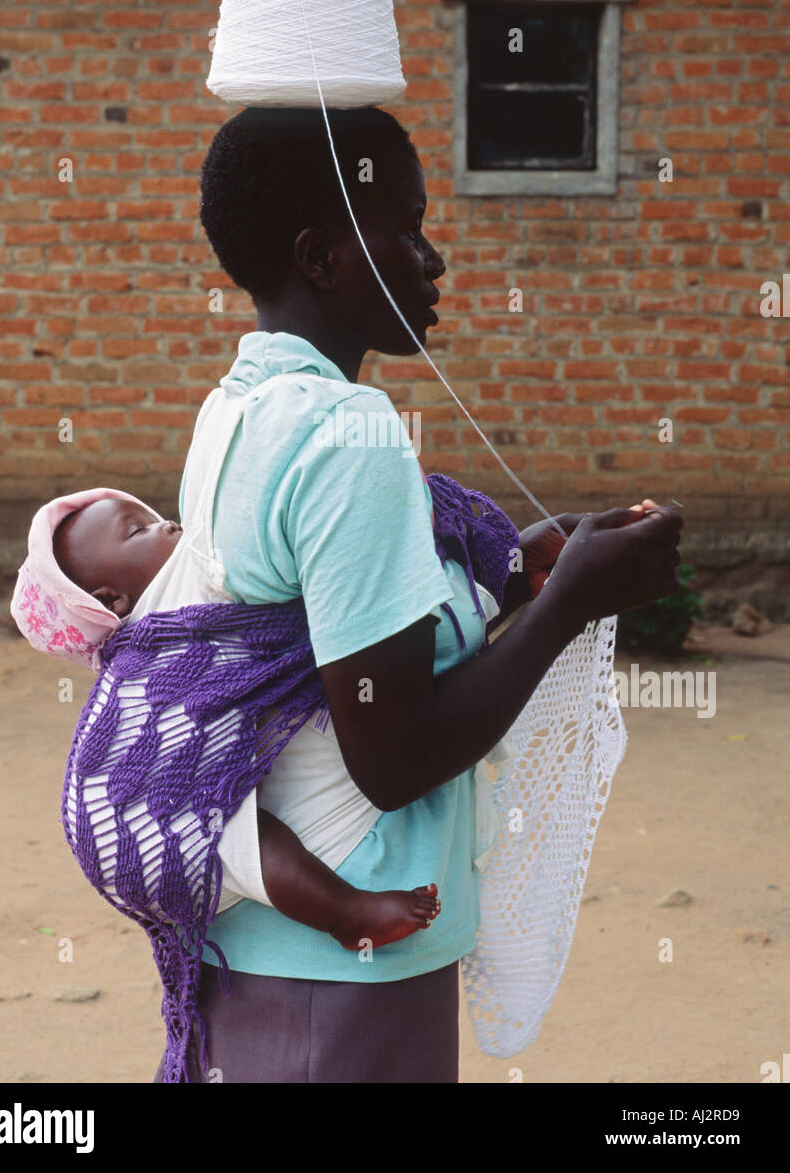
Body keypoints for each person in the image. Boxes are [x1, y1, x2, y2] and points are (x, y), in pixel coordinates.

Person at [140, 103, 681, 1084]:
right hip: (351, 960)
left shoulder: (237, 408)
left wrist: (525, 564)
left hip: (266, 948)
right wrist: (567, 605)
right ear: (319, 256)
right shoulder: (353, 435)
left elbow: (344, 630)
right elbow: (392, 755)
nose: (433, 260)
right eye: (408, 227)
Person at [50, 493, 442, 950]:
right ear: (113, 599)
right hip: (139, 829)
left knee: (240, 823)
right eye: (139, 530)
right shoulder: (167, 634)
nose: (169, 526)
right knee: (251, 837)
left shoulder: (189, 608)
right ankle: (347, 914)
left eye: (160, 518)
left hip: (139, 822)